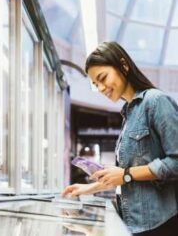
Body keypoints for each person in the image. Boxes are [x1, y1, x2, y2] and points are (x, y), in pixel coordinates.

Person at [62, 41, 178, 236]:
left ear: (123, 65)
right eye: (96, 84)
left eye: (102, 78)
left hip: (159, 225)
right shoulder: (128, 115)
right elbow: (127, 176)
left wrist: (126, 174)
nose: (100, 88)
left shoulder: (156, 101)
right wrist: (88, 188)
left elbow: (175, 162)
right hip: (134, 224)